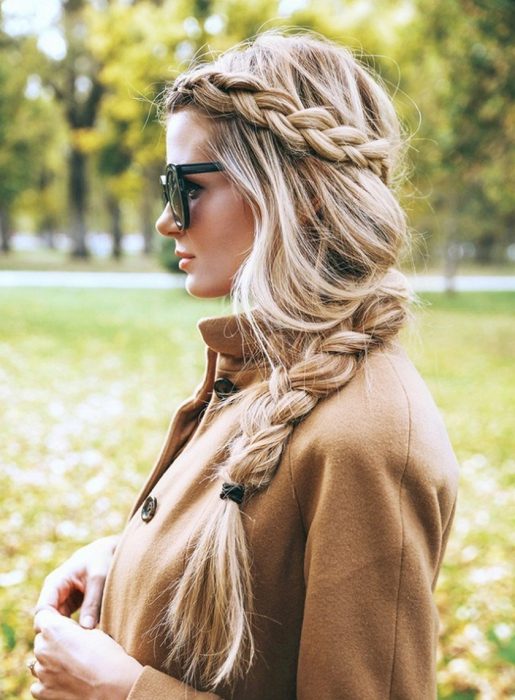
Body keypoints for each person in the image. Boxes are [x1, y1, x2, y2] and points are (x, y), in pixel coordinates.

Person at [30, 29, 459, 700]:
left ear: (297, 190)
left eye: (183, 185)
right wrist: (133, 567)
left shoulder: (366, 439)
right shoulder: (265, 373)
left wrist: (119, 691)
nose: (166, 222)